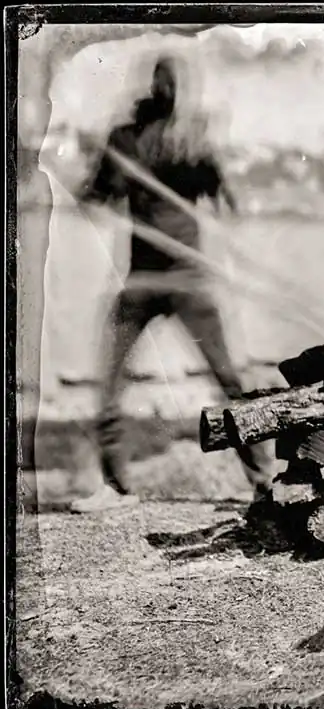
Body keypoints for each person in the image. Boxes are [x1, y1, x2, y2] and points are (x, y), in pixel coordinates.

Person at [70, 54, 273, 514]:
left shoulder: (182, 141)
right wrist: (99, 173)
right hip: (146, 280)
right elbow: (98, 192)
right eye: (166, 83)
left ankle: (266, 482)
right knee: (112, 383)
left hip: (183, 278)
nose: (168, 92)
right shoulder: (132, 139)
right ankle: (117, 487)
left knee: (227, 379)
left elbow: (223, 197)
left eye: (173, 84)